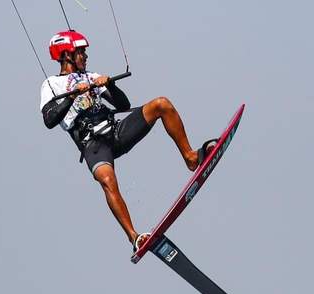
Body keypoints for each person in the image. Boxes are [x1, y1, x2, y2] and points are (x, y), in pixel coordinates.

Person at [40, 30, 216, 254]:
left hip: (115, 132)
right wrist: (73, 95)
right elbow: (49, 119)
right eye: (81, 52)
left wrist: (109, 85)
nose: (85, 56)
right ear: (66, 55)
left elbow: (123, 105)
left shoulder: (91, 76)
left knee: (161, 104)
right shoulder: (51, 85)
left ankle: (191, 158)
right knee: (107, 180)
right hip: (93, 145)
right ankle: (134, 237)